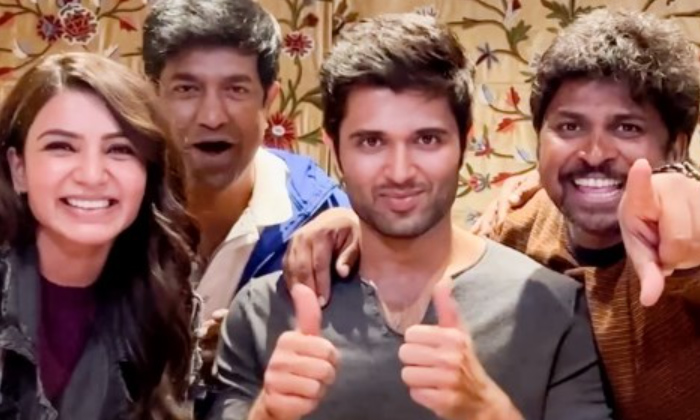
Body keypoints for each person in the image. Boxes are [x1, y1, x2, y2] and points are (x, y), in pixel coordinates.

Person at [284, 9, 700, 420]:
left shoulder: (688, 242)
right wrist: (361, 223)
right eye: (570, 127)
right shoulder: (519, 223)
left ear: (678, 146)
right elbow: (447, 250)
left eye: (627, 128)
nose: (594, 153)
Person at [210, 13, 612, 420]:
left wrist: (488, 412)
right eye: (371, 142)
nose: (400, 172)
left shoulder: (552, 308)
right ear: (334, 148)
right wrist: (267, 414)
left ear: (465, 142)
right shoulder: (262, 311)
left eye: (427, 139)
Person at [141, 0, 348, 375]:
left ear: (268, 100)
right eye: (187, 89)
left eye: (236, 89)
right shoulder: (114, 206)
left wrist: (254, 355)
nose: (212, 117)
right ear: (153, 96)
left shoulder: (322, 213)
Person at [0, 52, 198, 419]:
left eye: (119, 150)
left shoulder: (164, 297)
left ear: (149, 172)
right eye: (61, 147)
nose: (91, 175)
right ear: (19, 168)